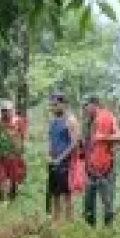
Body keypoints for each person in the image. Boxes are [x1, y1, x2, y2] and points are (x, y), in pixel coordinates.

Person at [82, 97, 120, 227]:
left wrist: (104, 137)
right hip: (90, 165)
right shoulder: (89, 121)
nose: (85, 109)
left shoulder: (108, 117)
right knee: (88, 198)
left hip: (106, 165)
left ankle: (108, 228)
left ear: (94, 105)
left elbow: (119, 137)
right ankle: (89, 227)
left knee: (107, 198)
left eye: (86, 106)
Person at [47, 93, 79, 223]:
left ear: (64, 104)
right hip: (53, 162)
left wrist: (60, 158)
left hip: (65, 164)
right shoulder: (54, 121)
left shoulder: (71, 121)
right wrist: (49, 155)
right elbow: (51, 140)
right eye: (52, 105)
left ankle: (69, 224)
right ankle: (55, 223)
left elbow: (74, 143)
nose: (53, 108)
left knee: (67, 196)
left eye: (55, 105)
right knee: (54, 195)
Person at [0, 101, 27, 201]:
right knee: (0, 179)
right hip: (1, 154)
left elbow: (22, 137)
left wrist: (20, 151)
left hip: (14, 154)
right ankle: (1, 200)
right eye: (3, 111)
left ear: (12, 111)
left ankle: (12, 198)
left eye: (7, 111)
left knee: (14, 178)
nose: (5, 113)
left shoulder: (19, 121)